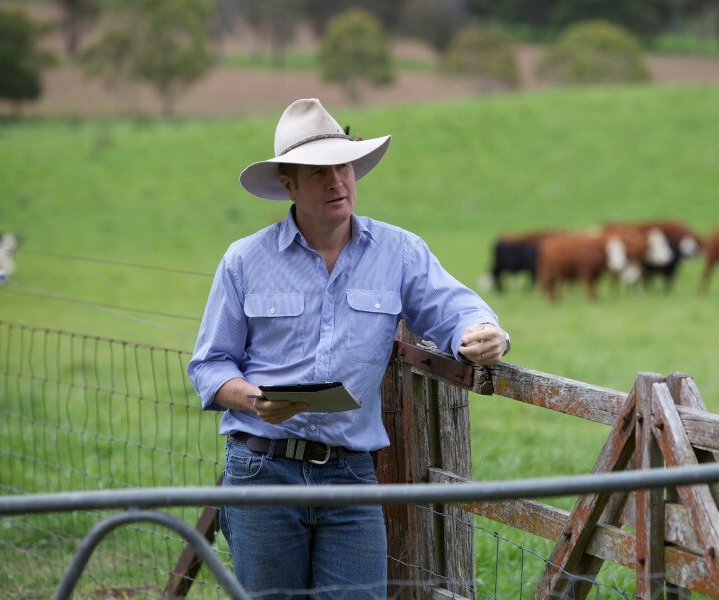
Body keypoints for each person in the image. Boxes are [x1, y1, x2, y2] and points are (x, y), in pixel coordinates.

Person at [187, 98, 509, 599]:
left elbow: (455, 308)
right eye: (319, 173)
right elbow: (209, 364)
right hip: (261, 471)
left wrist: (485, 332)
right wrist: (254, 400)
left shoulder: (400, 252)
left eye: (344, 166)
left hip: (351, 475)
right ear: (288, 185)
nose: (337, 182)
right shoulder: (243, 261)